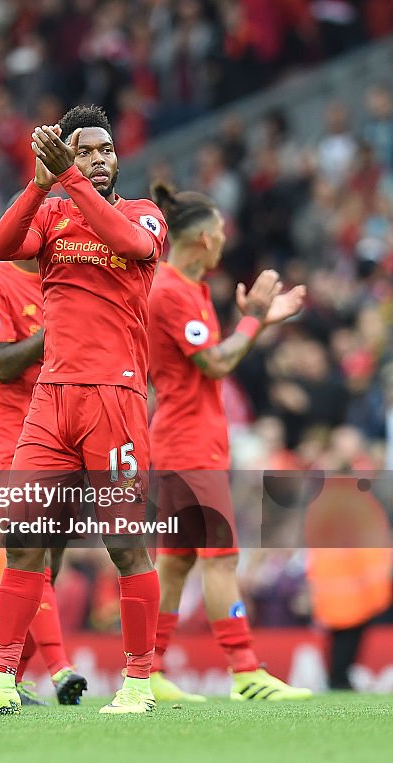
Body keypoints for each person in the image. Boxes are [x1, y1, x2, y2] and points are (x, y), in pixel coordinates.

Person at [0, 105, 169, 716]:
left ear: (117, 159)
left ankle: (139, 685)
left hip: (113, 396)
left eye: (103, 151)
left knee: (125, 544)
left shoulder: (142, 214)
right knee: (21, 540)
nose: (96, 159)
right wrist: (42, 181)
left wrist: (67, 179)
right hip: (51, 399)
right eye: (83, 151)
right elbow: (0, 243)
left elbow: (129, 245)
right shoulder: (55, 209)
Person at [145, 182, 312, 702]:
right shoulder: (171, 291)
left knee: (176, 561)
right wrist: (255, 318)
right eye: (219, 233)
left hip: (183, 438)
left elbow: (213, 359)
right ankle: (244, 671)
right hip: (191, 444)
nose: (224, 242)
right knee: (220, 558)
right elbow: (214, 363)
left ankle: (148, 668)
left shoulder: (187, 288)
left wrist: (258, 324)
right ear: (201, 240)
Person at [0, 256, 87, 706]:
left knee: (50, 562)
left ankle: (8, 681)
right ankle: (60, 667)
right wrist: (57, 329)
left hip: (70, 430)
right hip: (17, 432)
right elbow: (0, 363)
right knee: (32, 554)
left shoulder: (67, 277)